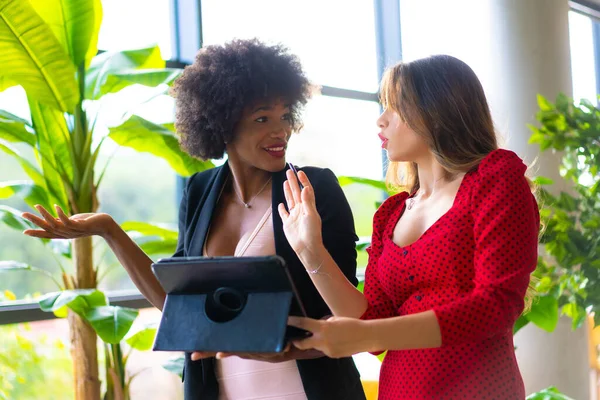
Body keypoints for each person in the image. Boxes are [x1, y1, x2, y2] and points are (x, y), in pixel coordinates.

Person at [21, 39, 366, 400]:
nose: (279, 131)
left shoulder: (314, 188)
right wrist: (110, 230)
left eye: (284, 116)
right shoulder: (201, 191)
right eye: (262, 118)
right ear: (222, 123)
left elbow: (347, 315)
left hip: (306, 388)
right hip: (219, 389)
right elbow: (178, 304)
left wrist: (286, 347)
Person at [280, 54, 540, 399]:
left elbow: (496, 306)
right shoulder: (390, 215)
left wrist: (369, 336)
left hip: (480, 389)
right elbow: (370, 322)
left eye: (395, 107)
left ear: (439, 109)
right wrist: (309, 249)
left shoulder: (496, 181)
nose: (381, 120)